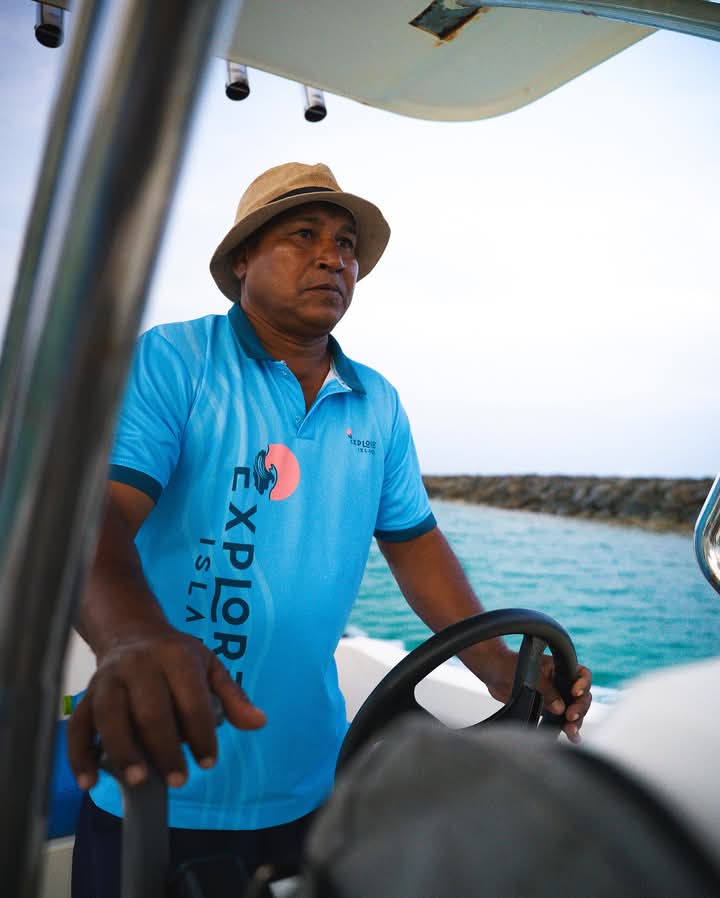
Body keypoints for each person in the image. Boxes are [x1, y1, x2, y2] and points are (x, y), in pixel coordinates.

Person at [67, 162, 592, 895]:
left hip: (311, 784)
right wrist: (128, 638)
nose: (332, 256)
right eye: (304, 234)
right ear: (242, 258)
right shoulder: (174, 360)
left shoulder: (377, 402)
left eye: (346, 244)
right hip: (160, 774)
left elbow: (414, 547)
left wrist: (503, 668)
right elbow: (97, 514)